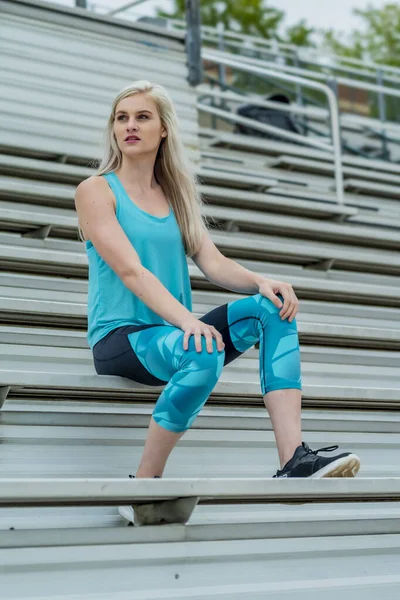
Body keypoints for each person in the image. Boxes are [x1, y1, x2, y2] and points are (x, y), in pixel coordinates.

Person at [74, 80, 361, 482]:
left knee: (272, 309)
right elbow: (130, 271)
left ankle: (293, 458)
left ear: (164, 129)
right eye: (121, 118)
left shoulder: (176, 196)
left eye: (142, 117)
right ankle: (144, 483)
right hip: (121, 338)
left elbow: (212, 262)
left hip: (169, 334)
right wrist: (187, 321)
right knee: (202, 349)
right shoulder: (95, 190)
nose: (130, 126)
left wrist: (263, 282)